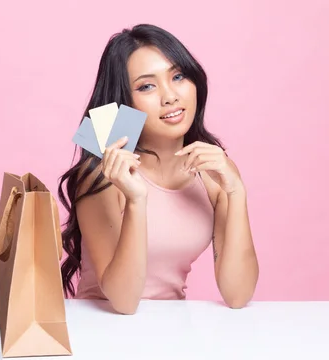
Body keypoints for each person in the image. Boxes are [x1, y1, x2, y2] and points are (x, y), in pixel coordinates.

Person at [57, 24, 259, 314]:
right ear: (124, 101)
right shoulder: (103, 175)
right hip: (102, 332)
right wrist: (137, 200)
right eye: (146, 86)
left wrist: (236, 191)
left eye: (178, 76)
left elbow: (238, 294)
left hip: (172, 332)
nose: (170, 97)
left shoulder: (213, 172)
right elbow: (124, 302)